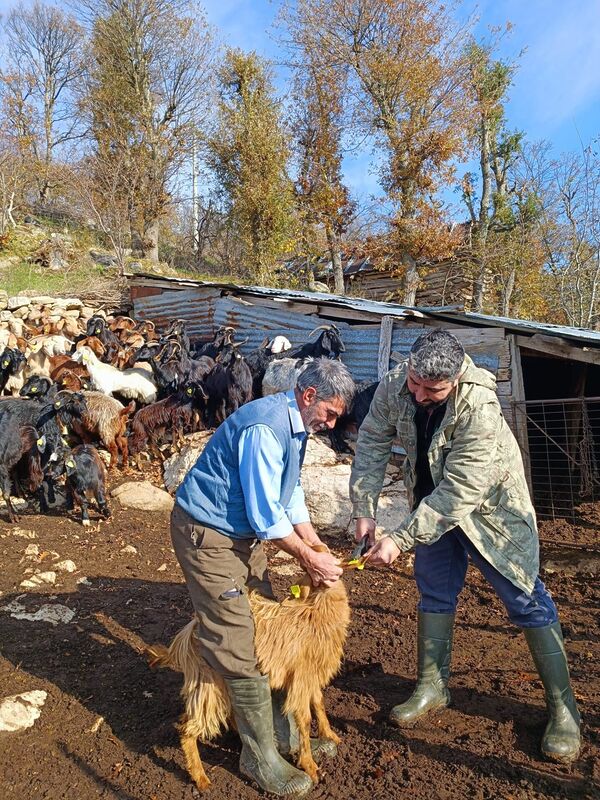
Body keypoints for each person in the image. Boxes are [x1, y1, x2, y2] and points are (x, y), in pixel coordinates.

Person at [349, 329, 580, 763]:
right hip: (429, 509)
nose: (417, 395)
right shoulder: (400, 381)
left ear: (454, 380)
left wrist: (399, 538)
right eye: (415, 383)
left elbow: (460, 491)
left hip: (490, 514)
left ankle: (565, 711)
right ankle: (432, 687)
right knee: (434, 592)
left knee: (525, 599)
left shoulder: (481, 408)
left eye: (430, 389)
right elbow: (374, 440)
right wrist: (364, 508)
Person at [171, 358, 355, 796]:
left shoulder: (296, 428)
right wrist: (308, 561)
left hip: (242, 536)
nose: (330, 424)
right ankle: (257, 755)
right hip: (208, 533)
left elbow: (289, 496)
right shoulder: (265, 429)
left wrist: (313, 543)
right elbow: (265, 513)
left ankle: (274, 727)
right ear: (309, 396)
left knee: (264, 627)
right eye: (329, 413)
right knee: (235, 635)